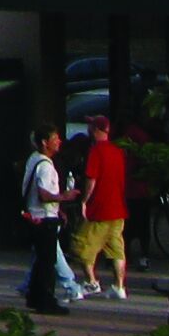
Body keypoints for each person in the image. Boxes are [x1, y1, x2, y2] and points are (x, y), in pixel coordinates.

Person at [20, 124, 75, 313]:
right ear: (45, 142)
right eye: (55, 138)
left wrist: (58, 209)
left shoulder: (33, 159)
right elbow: (44, 195)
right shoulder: (45, 166)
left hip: (36, 215)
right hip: (44, 219)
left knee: (41, 260)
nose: (59, 141)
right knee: (47, 262)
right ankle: (46, 299)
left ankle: (34, 296)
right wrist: (64, 197)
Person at [75, 121, 130, 301]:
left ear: (96, 130)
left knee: (82, 245)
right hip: (118, 209)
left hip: (100, 209)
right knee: (116, 249)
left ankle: (91, 282)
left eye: (90, 128)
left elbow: (91, 179)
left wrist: (84, 200)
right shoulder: (118, 151)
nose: (88, 131)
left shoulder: (96, 151)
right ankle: (119, 286)